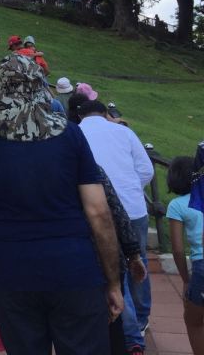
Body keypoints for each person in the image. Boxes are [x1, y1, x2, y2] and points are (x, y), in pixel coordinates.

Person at [0, 55, 123, 355]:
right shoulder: (70, 134)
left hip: (11, 273)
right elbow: (99, 212)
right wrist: (113, 282)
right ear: (40, 87)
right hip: (74, 269)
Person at [79, 100, 154, 354]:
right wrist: (131, 187)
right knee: (139, 261)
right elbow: (146, 170)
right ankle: (140, 321)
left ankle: (129, 331)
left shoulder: (76, 134)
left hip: (102, 208)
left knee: (117, 268)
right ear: (105, 113)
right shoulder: (124, 132)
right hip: (134, 207)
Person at [166, 156, 204, 355]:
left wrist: (186, 280)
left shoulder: (177, 205)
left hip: (201, 266)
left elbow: (178, 249)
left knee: (194, 321)